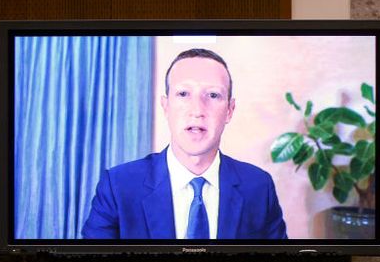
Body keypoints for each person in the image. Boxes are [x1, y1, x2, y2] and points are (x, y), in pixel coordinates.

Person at [81, 48, 287, 240]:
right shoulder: (118, 186)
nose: (197, 110)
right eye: (183, 94)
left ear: (230, 110)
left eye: (213, 95)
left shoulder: (259, 187)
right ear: (166, 106)